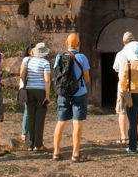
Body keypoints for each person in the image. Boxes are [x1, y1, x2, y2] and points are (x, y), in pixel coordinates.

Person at [52, 33, 91, 162]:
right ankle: (75, 154)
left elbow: (56, 75)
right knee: (77, 123)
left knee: (61, 122)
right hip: (79, 93)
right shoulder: (82, 57)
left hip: (63, 94)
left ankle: (56, 152)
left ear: (66, 43)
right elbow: (87, 77)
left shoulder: (59, 57)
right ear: (78, 44)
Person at [20, 42, 52, 151]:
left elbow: (22, 74)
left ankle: (29, 144)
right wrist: (47, 95)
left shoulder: (28, 60)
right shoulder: (45, 63)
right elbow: (47, 80)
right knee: (40, 118)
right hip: (41, 91)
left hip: (29, 90)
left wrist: (24, 85)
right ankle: (38, 145)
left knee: (30, 116)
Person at [112, 31, 134, 144]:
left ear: (123, 42)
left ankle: (124, 137)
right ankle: (137, 136)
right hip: (136, 86)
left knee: (122, 112)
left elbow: (116, 69)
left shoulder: (120, 54)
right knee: (137, 112)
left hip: (123, 86)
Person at [20, 44, 35, 141]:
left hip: (30, 87)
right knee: (27, 110)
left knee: (29, 110)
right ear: (30, 52)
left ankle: (28, 132)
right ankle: (24, 132)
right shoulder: (26, 60)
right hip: (27, 87)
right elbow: (22, 75)